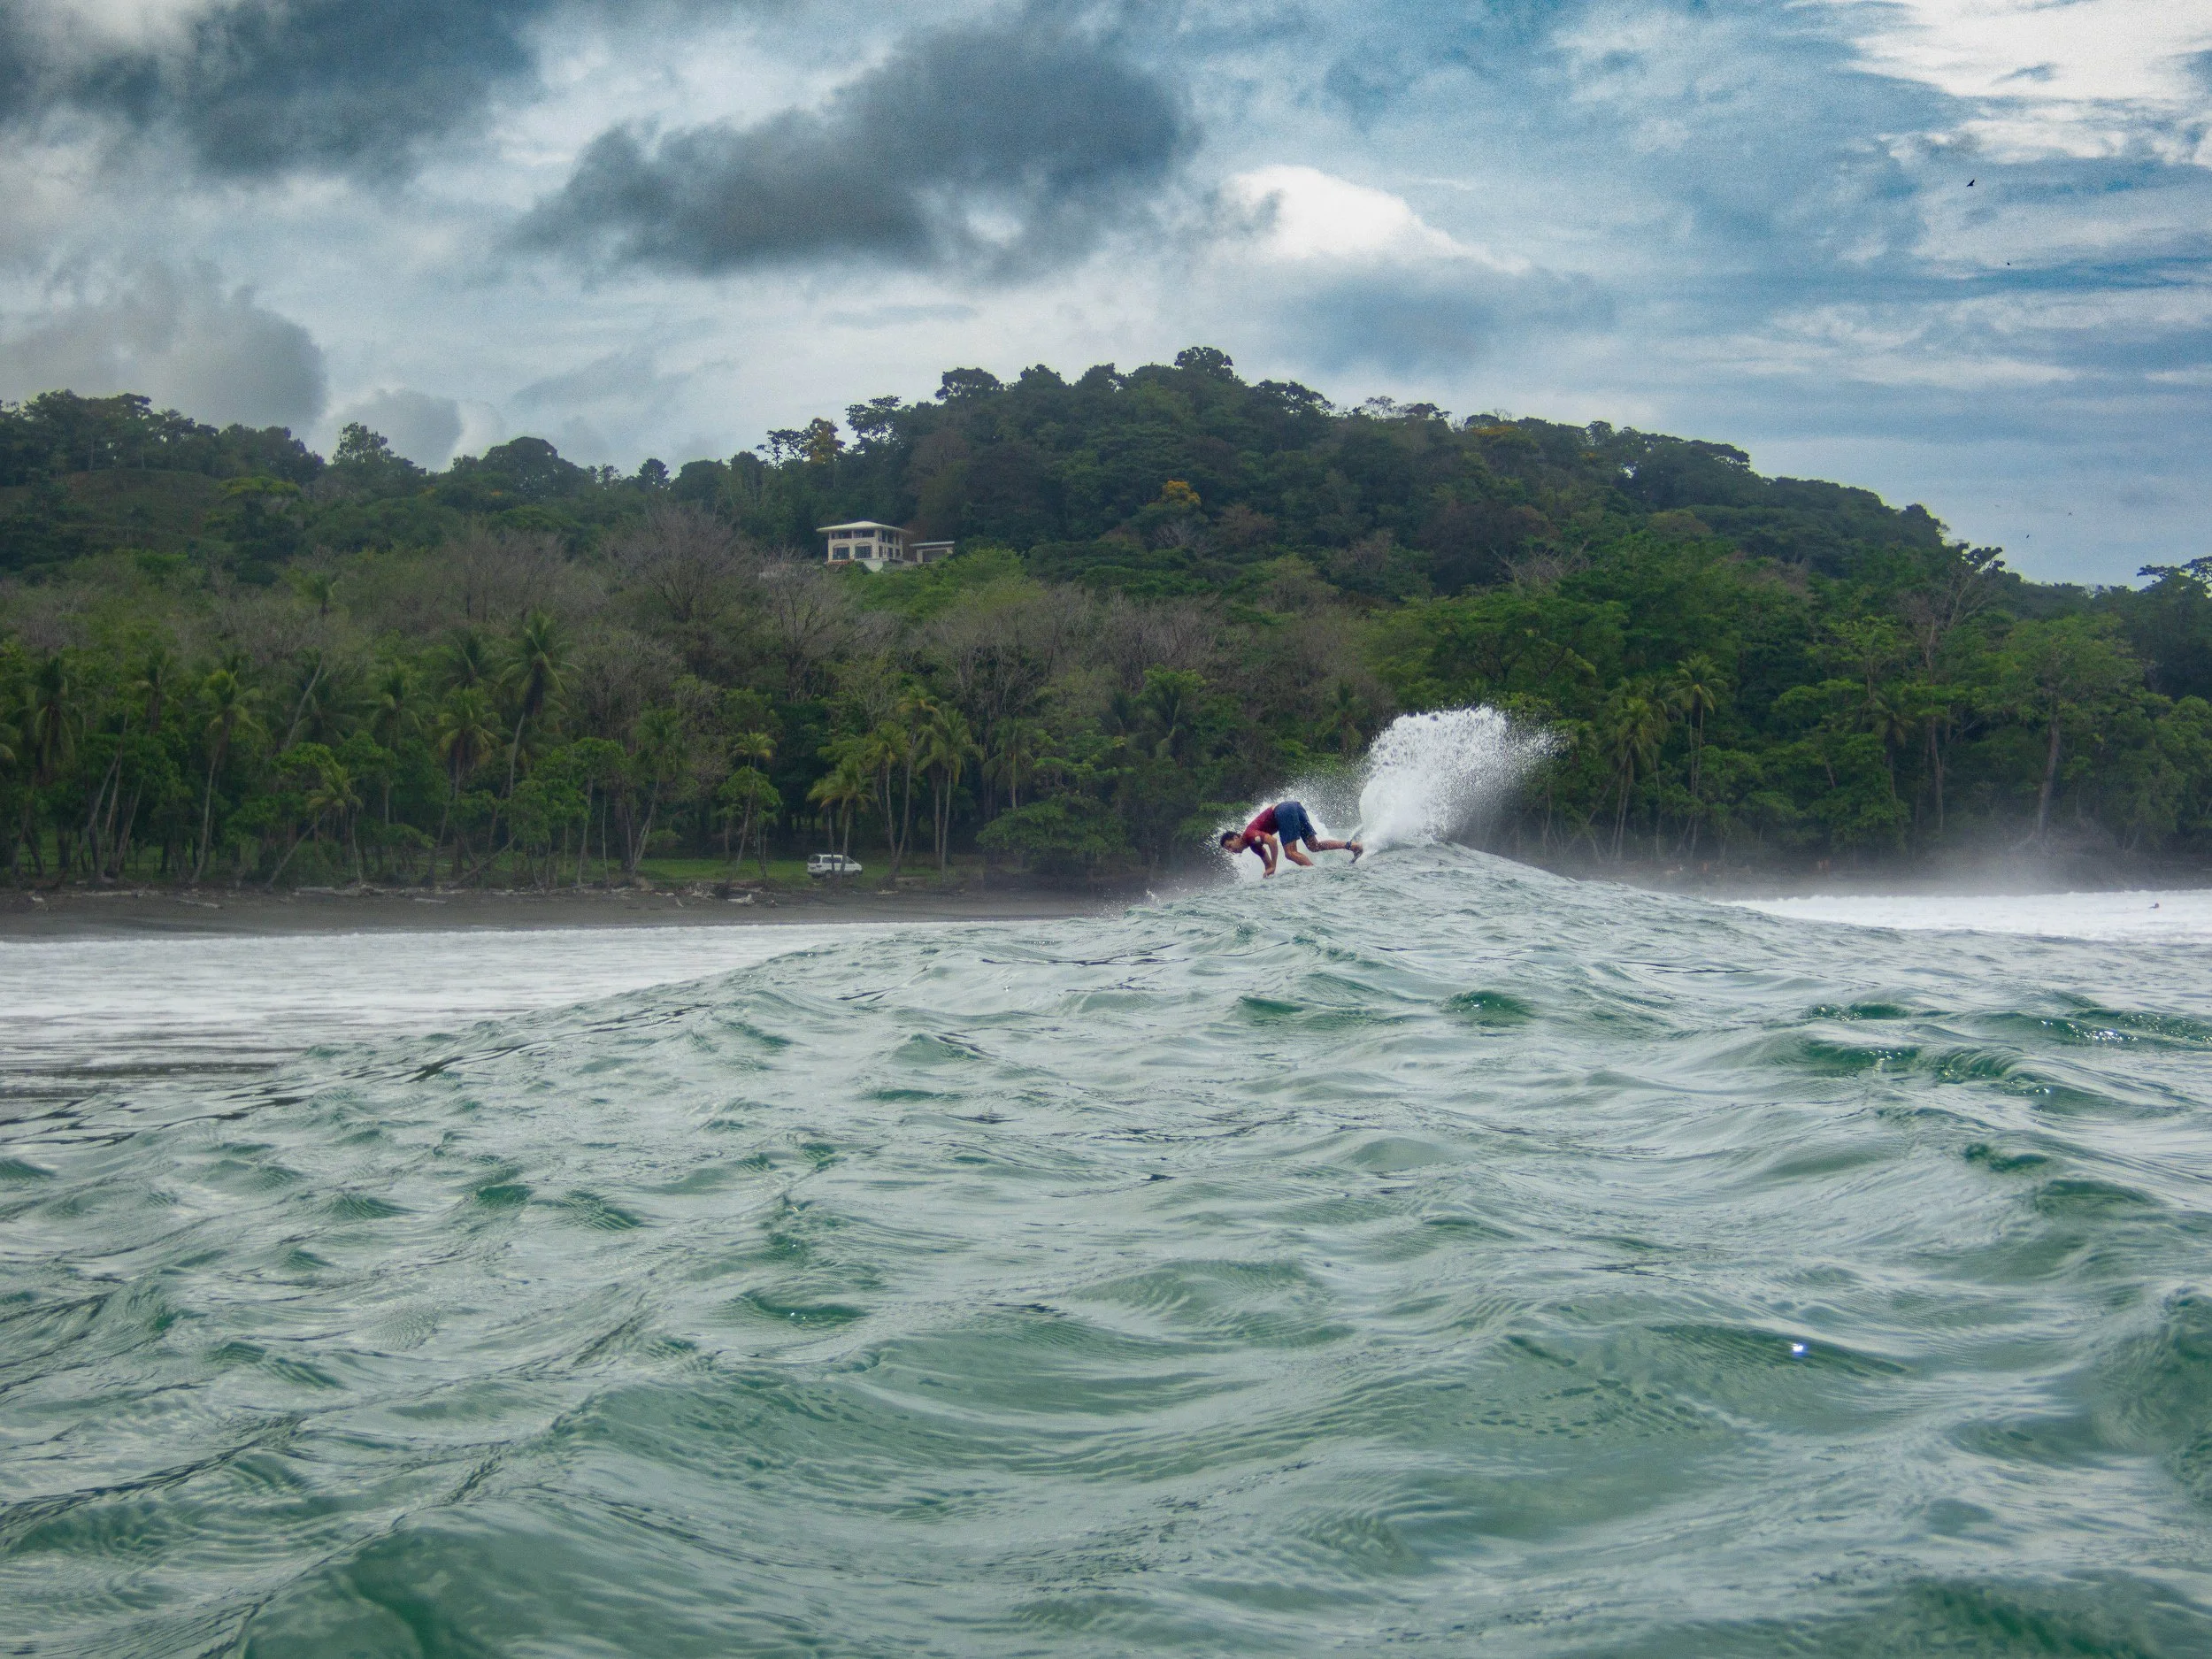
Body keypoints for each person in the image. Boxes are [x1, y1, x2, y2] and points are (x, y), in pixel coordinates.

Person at [1218, 800, 1362, 876]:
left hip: (1283, 810)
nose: (1231, 850)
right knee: (1314, 846)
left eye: (1230, 845)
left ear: (1237, 837)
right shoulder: (1254, 847)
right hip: (1294, 806)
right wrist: (1269, 871)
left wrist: (1273, 865)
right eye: (1228, 850)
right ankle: (1354, 846)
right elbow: (1269, 867)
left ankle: (1315, 874)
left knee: (1290, 853)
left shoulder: (1249, 835)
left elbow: (1272, 841)